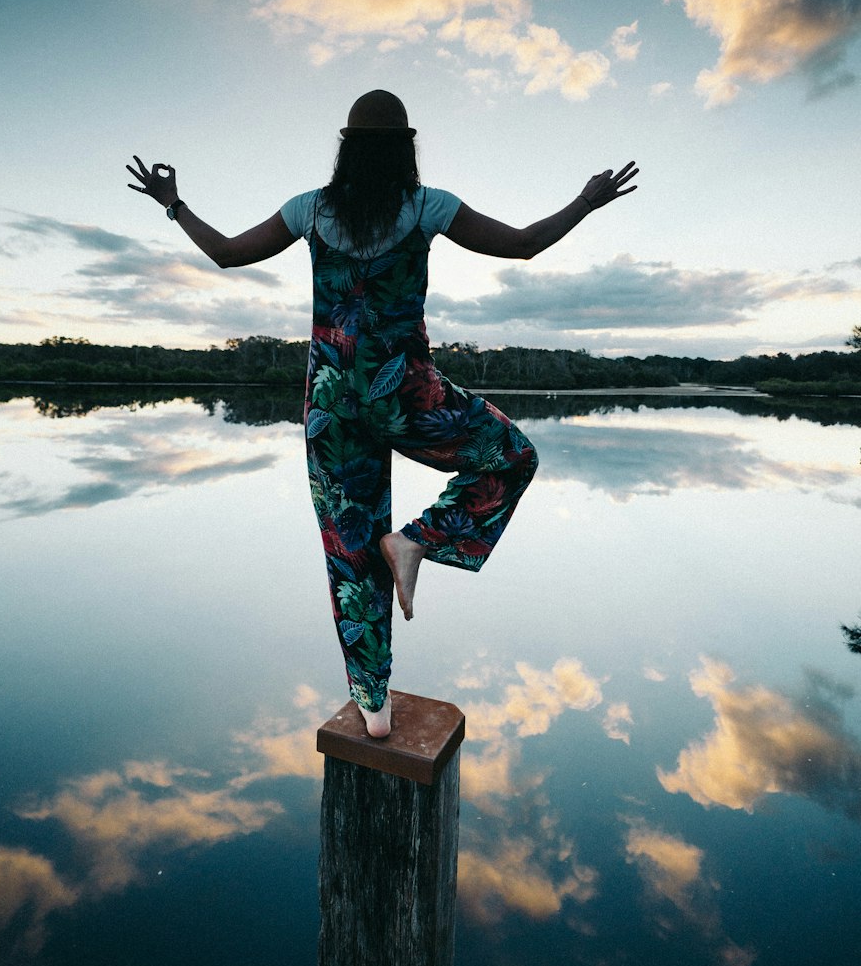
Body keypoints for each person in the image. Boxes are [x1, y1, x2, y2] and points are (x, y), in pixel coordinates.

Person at [127, 90, 638, 738]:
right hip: (405, 397)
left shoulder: (309, 209)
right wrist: (586, 201)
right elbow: (524, 246)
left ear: (346, 147)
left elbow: (227, 253)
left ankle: (373, 708)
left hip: (330, 410)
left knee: (350, 557)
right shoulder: (428, 206)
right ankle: (418, 538)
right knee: (513, 457)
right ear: (406, 148)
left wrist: (174, 205)